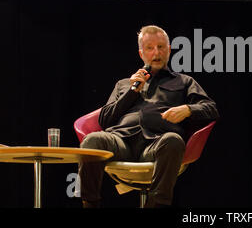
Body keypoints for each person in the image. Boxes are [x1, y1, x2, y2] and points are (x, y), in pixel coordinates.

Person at [79, 25, 219, 208]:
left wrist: (188, 109)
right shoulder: (124, 84)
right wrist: (132, 92)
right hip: (121, 143)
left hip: (156, 145)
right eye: (150, 48)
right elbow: (104, 120)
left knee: (173, 140)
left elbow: (211, 108)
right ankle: (90, 204)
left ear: (169, 50)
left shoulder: (184, 81)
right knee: (92, 140)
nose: (156, 53)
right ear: (141, 54)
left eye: (161, 47)